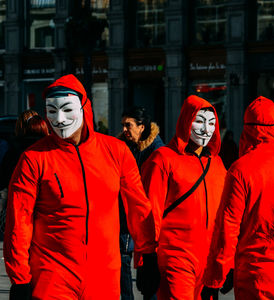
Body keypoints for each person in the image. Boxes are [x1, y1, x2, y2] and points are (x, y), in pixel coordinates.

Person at [3, 74, 156, 300]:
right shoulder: (33, 158)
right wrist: (20, 278)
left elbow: (139, 208)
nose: (60, 119)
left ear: (84, 108)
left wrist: (148, 257)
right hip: (53, 277)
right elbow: (19, 221)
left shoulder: (116, 152)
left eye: (67, 109)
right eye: (52, 111)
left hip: (104, 278)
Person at [201, 96, 274, 300]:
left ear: (248, 129)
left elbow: (227, 229)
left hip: (259, 279)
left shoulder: (242, 169)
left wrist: (214, 278)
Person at [138, 95, 227, 300]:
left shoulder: (217, 164)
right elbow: (149, 213)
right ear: (186, 121)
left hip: (207, 260)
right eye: (199, 121)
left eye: (212, 123)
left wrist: (226, 261)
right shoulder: (163, 160)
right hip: (175, 258)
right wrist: (147, 258)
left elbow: (225, 216)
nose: (206, 129)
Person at [118, 106, 164, 300]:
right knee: (123, 258)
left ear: (142, 127)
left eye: (128, 125)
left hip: (148, 214)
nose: (125, 130)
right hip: (124, 212)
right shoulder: (122, 146)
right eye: (123, 125)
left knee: (147, 262)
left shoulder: (157, 152)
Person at [0, 113, 49, 234]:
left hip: (20, 210)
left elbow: (3, 182)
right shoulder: (51, 151)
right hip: (47, 210)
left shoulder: (14, 152)